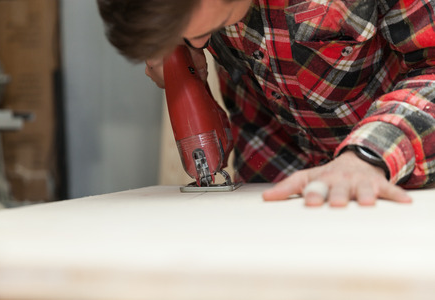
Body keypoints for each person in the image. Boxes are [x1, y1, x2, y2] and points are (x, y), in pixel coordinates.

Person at [97, 0, 435, 207]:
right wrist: (172, 44)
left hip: (402, 184)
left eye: (208, 28)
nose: (201, 41)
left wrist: (367, 157)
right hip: (272, 181)